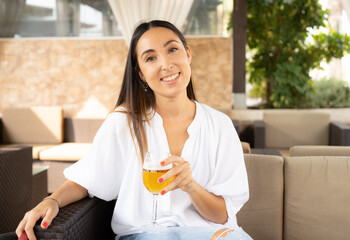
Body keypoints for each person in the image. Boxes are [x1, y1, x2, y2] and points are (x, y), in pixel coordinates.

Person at [16, 20, 252, 240]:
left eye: (172, 50)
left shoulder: (220, 126)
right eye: (150, 58)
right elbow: (88, 179)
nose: (165, 64)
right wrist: (52, 201)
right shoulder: (124, 122)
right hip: (144, 235)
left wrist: (191, 186)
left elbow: (222, 215)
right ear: (140, 73)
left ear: (188, 54)